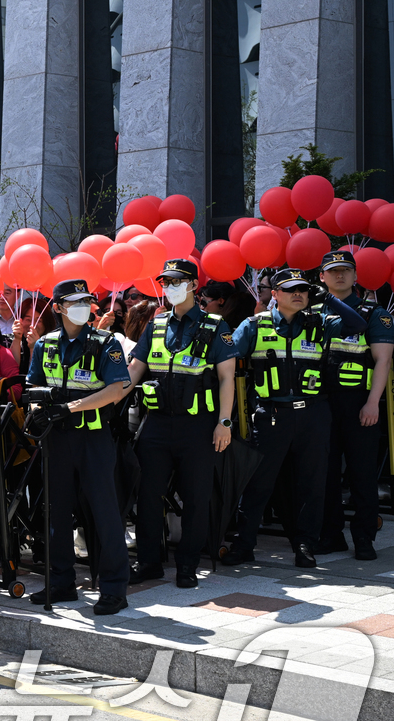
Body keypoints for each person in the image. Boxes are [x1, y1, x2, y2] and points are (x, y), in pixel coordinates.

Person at [222, 267, 369, 568]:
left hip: (314, 415)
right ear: (275, 294)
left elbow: (357, 325)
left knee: (312, 484)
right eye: (290, 290)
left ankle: (305, 544)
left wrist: (328, 298)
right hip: (271, 415)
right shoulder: (255, 325)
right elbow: (225, 357)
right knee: (259, 483)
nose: (299, 294)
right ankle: (244, 544)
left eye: (303, 289)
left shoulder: (320, 322)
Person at [126, 259, 239, 588]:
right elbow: (134, 371)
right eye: (166, 282)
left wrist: (224, 422)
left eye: (177, 281)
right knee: (148, 495)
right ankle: (149, 562)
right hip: (157, 423)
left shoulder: (215, 326)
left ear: (193, 285)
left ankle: (188, 564)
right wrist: (102, 397)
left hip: (199, 425)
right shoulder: (157, 325)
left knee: (196, 497)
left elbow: (227, 378)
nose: (170, 288)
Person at [25, 279, 132, 614]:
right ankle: (61, 582)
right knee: (56, 512)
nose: (82, 307)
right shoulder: (45, 344)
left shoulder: (105, 343)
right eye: (74, 302)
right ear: (58, 307)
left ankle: (114, 588)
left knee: (104, 512)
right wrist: (37, 411)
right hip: (56, 438)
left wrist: (70, 408)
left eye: (86, 301)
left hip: (93, 438)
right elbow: (33, 386)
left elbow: (117, 389)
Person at [316, 250, 394, 560]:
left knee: (362, 474)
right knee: (325, 473)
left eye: (346, 270)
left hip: (360, 403)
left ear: (356, 276)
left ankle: (364, 537)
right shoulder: (311, 311)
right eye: (333, 271)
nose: (339, 275)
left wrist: (373, 402)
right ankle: (331, 535)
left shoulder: (374, 313)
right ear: (322, 277)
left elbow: (383, 360)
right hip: (321, 403)